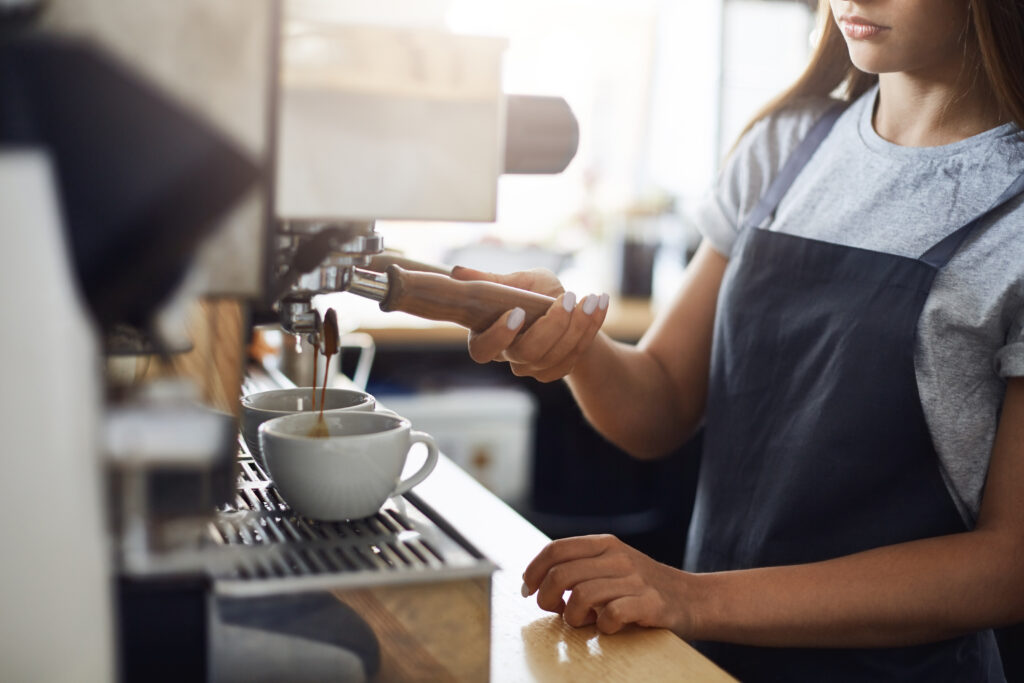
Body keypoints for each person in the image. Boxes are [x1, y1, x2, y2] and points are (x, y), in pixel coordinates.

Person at [451, 0, 1024, 680]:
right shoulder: (786, 144)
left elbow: (1008, 563)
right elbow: (660, 403)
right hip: (704, 660)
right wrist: (575, 345)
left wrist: (689, 594)